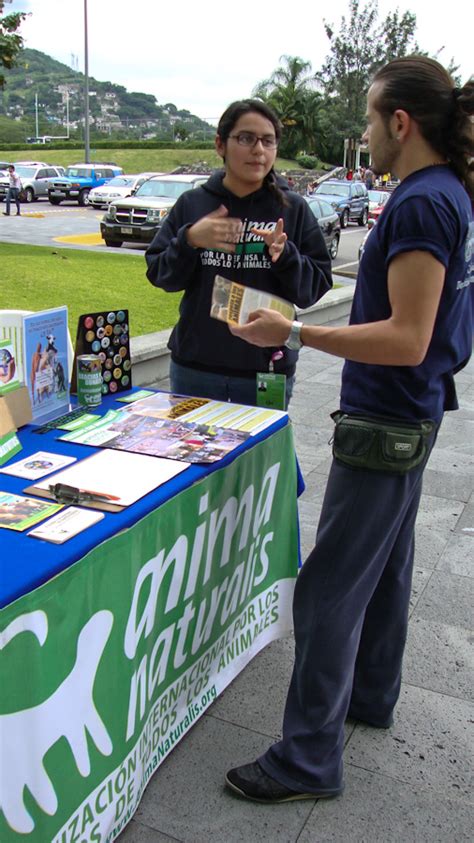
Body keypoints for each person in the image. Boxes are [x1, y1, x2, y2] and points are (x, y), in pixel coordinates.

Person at [224, 56, 473, 802]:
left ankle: (306, 758)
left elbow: (407, 337)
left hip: (387, 417)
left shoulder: (423, 204)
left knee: (328, 587)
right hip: (414, 414)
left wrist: (297, 330)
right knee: (389, 568)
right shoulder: (449, 193)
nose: (364, 133)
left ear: (401, 123)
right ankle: (370, 695)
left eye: (369, 119)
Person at [145, 99, 332, 407]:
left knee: (261, 456)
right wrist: (190, 239)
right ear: (221, 144)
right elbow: (160, 275)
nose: (258, 150)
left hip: (266, 368)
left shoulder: (293, 209)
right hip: (196, 368)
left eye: (268, 141)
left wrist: (285, 256)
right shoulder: (193, 204)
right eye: (246, 138)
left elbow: (314, 288)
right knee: (194, 453)